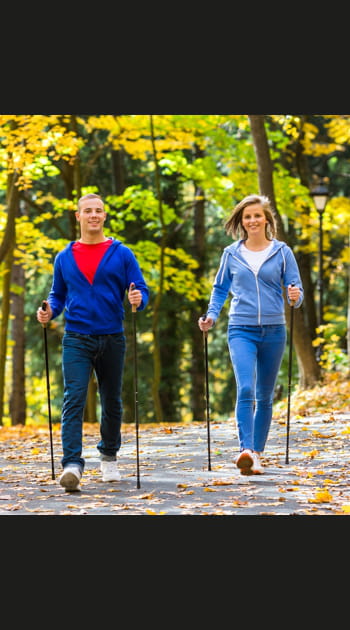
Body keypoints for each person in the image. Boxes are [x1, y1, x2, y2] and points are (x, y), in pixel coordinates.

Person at [37, 193, 149, 491]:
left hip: (112, 336)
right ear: (78, 216)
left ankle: (109, 456)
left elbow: (141, 289)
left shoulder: (121, 253)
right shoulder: (64, 257)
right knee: (73, 399)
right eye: (88, 211)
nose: (93, 215)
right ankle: (72, 465)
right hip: (77, 337)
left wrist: (138, 299)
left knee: (111, 400)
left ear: (104, 215)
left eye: (98, 210)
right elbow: (58, 295)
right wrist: (48, 310)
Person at [198, 194, 303, 475]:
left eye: (257, 215)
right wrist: (211, 315)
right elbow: (220, 289)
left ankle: (256, 454)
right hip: (240, 328)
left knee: (265, 395)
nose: (253, 220)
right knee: (246, 388)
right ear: (241, 222)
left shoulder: (282, 252)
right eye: (247, 217)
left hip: (274, 330)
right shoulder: (231, 254)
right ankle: (245, 449)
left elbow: (297, 291)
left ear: (267, 219)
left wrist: (295, 296)